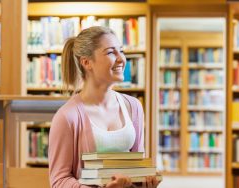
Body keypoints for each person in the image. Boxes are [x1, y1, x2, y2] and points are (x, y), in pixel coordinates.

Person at [48, 26, 160, 188]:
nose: (121, 59)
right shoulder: (67, 116)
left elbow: (136, 168)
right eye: (110, 52)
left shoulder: (133, 107)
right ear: (86, 62)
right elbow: (59, 181)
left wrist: (146, 180)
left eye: (121, 51)